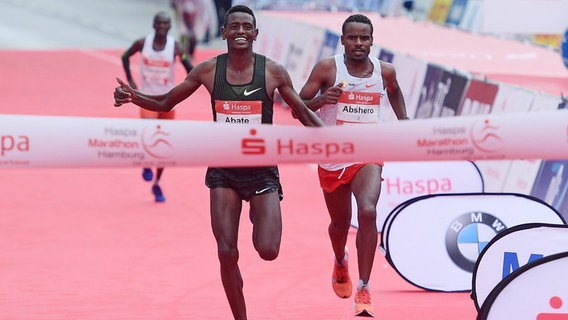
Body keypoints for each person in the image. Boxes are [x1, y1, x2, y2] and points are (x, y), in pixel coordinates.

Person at [114, 5, 323, 319]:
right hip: (223, 172)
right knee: (227, 253)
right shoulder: (209, 70)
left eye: (246, 27)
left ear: (255, 34)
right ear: (224, 33)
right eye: (233, 27)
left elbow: (303, 113)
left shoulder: (273, 71)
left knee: (268, 251)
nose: (240, 32)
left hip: (261, 171)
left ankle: (256, 206)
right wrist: (133, 95)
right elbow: (165, 101)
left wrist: (340, 142)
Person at [299, 13, 409, 317]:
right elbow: (297, 104)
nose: (358, 43)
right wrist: (322, 101)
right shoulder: (327, 68)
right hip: (333, 156)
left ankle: (364, 286)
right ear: (343, 39)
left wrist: (406, 122)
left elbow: (395, 92)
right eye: (353, 37)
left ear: (372, 41)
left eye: (364, 38)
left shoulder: (384, 72)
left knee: (369, 211)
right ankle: (339, 258)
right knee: (339, 225)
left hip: (368, 152)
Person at [121, 11, 193, 202]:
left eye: (166, 24)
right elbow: (124, 56)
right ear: (154, 25)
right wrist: (131, 81)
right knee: (149, 132)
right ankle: (146, 162)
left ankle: (157, 183)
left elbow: (191, 71)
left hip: (168, 100)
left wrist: (184, 88)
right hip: (146, 97)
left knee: (165, 144)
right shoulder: (142, 43)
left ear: (170, 26)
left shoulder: (176, 47)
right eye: (159, 24)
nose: (162, 27)